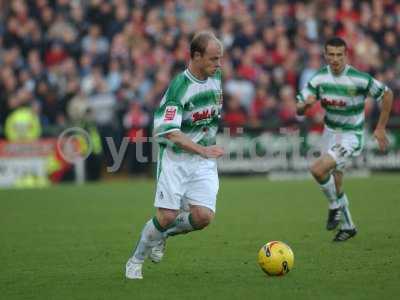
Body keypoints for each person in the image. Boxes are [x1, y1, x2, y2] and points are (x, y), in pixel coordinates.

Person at [125, 31, 224, 279]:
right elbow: (170, 133)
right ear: (196, 56)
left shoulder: (216, 77)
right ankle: (135, 260)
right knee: (166, 215)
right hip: (176, 160)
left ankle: (164, 234)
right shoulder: (179, 88)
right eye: (213, 59)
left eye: (219, 58)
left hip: (203, 162)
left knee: (203, 217)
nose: (218, 64)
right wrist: (203, 149)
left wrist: (206, 148)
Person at [296, 37, 393, 242]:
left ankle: (334, 206)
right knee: (337, 182)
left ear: (346, 55)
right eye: (331, 54)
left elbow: (387, 94)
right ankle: (348, 226)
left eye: (339, 54)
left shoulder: (359, 79)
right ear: (325, 55)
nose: (335, 59)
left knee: (317, 170)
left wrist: (381, 127)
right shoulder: (319, 78)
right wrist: (305, 106)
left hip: (351, 135)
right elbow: (299, 107)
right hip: (329, 133)